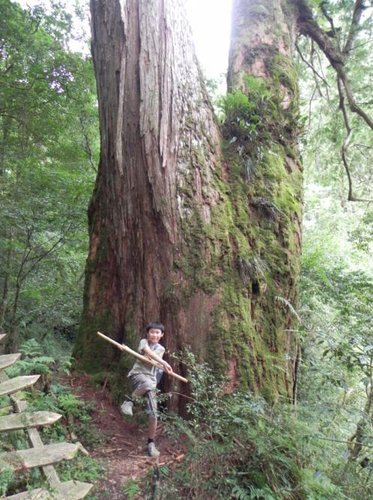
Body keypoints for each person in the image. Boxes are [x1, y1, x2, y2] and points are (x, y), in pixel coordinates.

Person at [120, 321, 173, 458]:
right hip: (138, 375)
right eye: (152, 332)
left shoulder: (161, 349)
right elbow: (146, 356)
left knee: (154, 413)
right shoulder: (144, 342)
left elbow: (152, 360)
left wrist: (158, 362)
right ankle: (128, 401)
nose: (154, 334)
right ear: (148, 333)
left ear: (161, 335)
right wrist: (163, 362)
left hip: (151, 381)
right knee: (148, 384)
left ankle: (150, 443)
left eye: (157, 332)